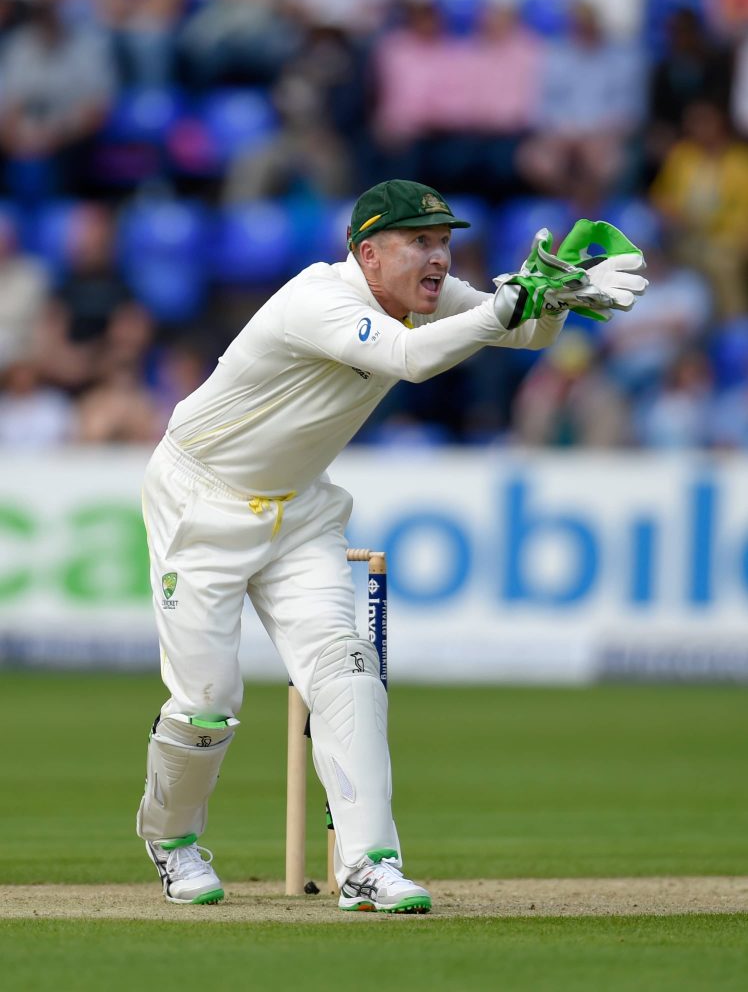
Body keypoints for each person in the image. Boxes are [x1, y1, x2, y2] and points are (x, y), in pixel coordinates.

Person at [135, 180, 647, 911]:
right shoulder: (319, 299)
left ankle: (368, 866)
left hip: (299, 508)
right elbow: (409, 358)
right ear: (368, 252)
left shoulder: (427, 295)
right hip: (201, 498)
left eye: (444, 242)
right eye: (419, 243)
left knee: (348, 670)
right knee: (208, 699)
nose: (438, 258)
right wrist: (505, 305)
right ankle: (173, 841)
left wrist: (550, 300)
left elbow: (522, 335)